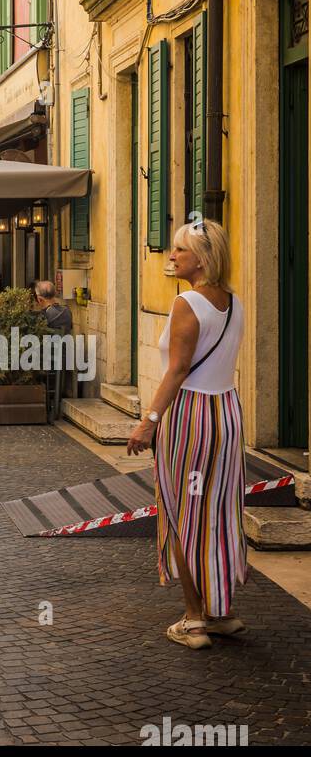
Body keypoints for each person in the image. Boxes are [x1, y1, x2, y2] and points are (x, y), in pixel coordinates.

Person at [126, 221, 247, 649]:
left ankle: (194, 620)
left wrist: (149, 420)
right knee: (216, 511)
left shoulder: (186, 303)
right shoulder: (235, 303)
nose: (171, 255)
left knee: (180, 515)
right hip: (227, 414)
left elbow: (177, 370)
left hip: (190, 416)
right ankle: (219, 611)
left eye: (180, 250)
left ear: (203, 258)